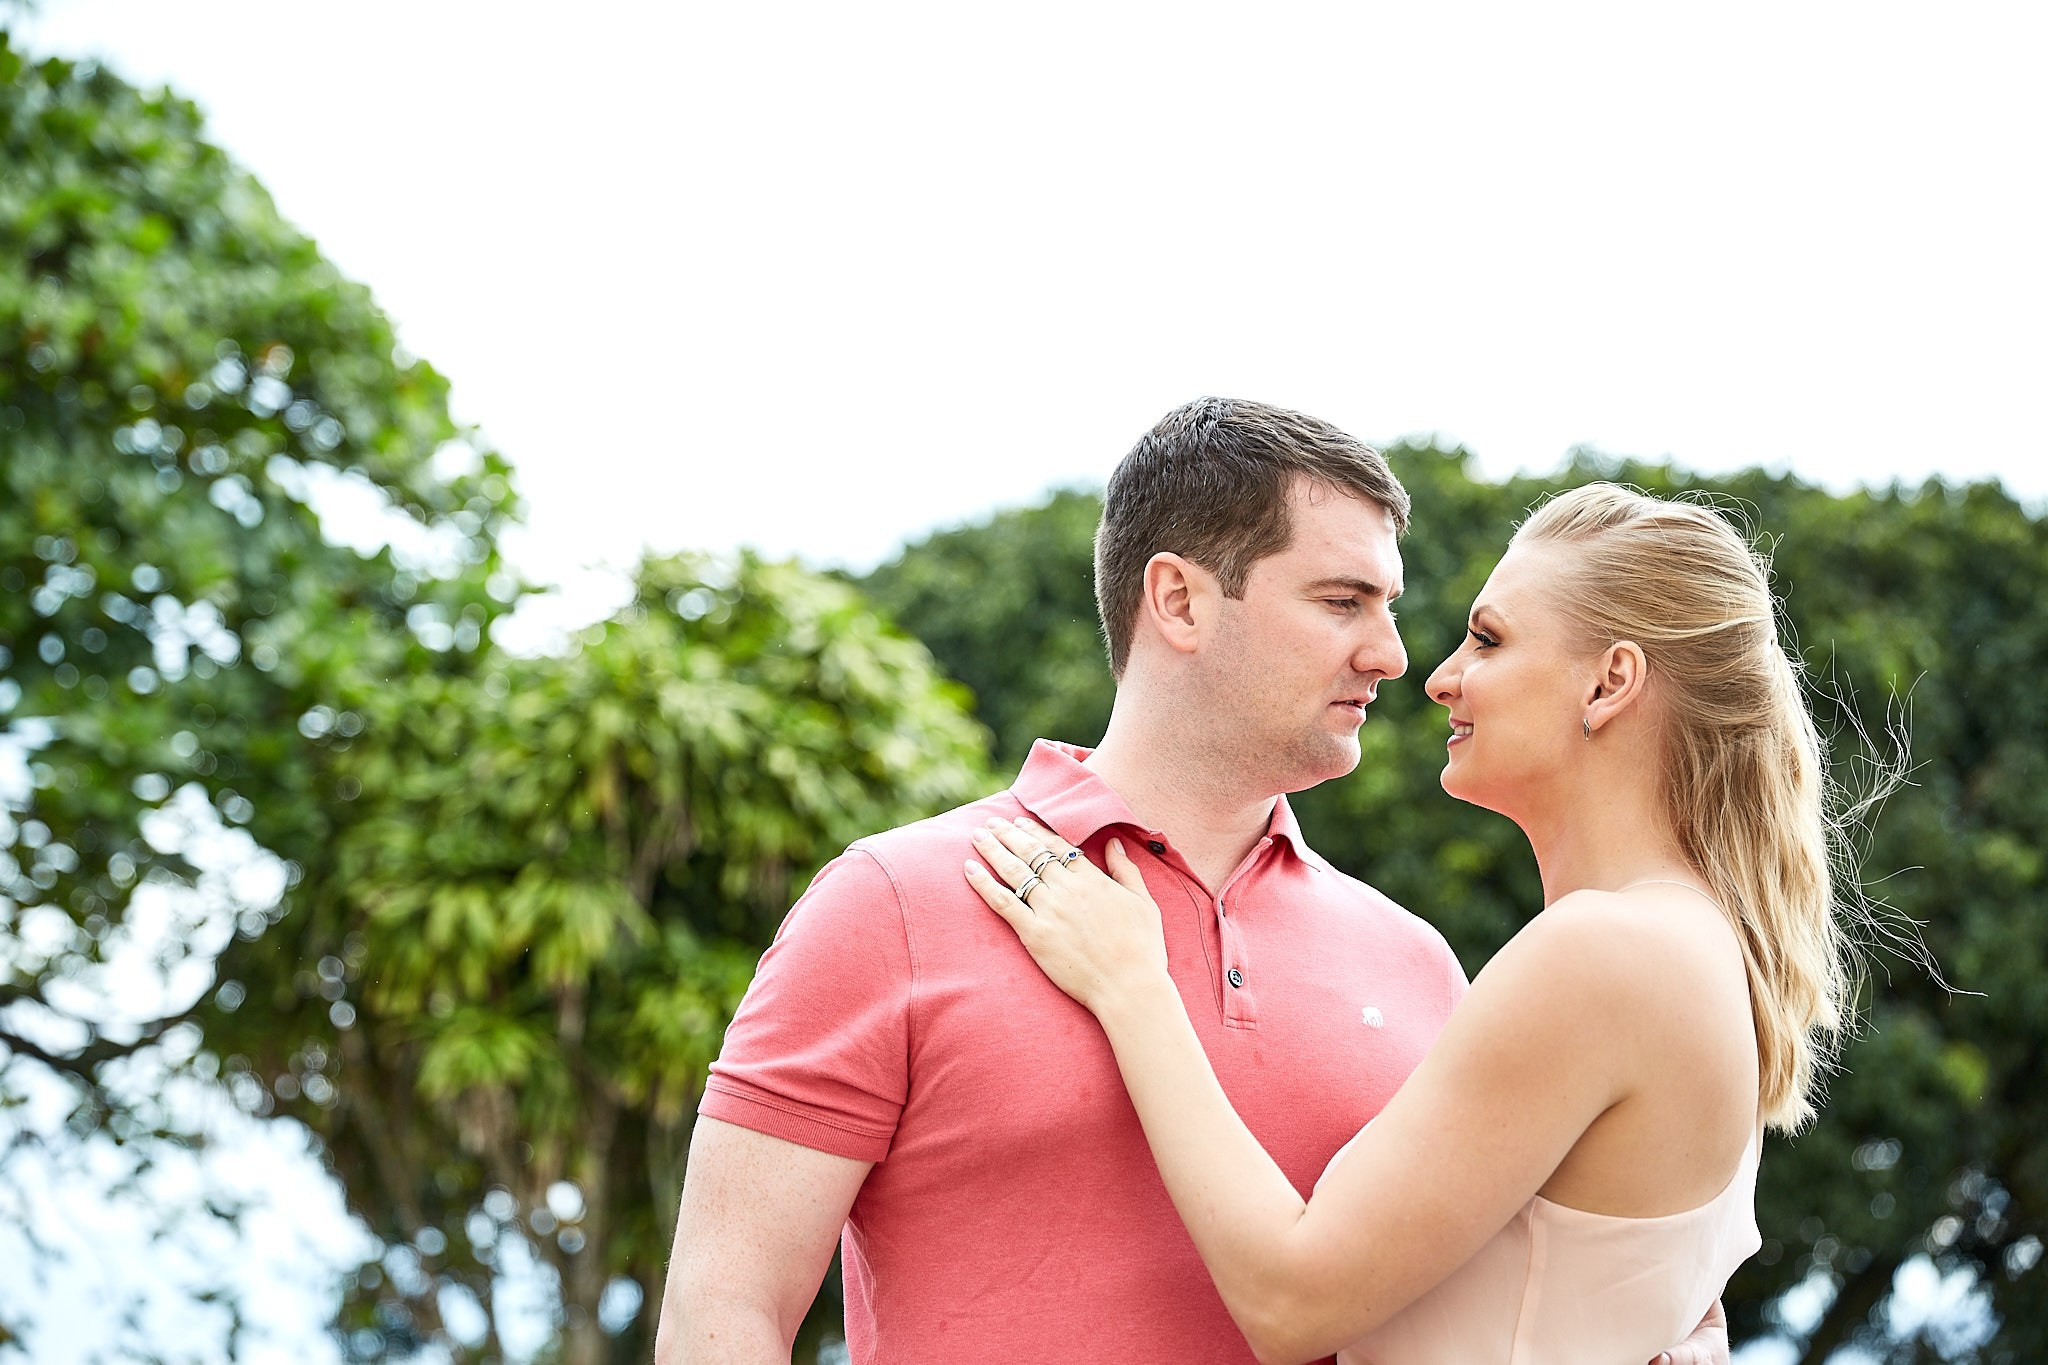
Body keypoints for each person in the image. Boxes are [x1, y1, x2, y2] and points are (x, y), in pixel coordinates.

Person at [655, 400, 1727, 1365]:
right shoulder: (892, 902)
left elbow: (1546, 1275)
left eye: (1388, 606)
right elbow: (724, 1311)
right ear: (1176, 600)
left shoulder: (1415, 964)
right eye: (1342, 601)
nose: (1394, 656)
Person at [966, 480, 1846, 1363]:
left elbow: (1290, 1298)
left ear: (1610, 681)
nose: (1437, 676)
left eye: (1489, 638)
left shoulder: (1603, 952)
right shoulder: (1691, 948)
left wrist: (1132, 986)